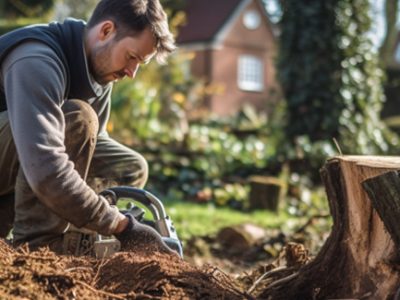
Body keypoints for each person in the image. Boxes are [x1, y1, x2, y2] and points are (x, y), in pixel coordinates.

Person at [0, 0, 176, 255]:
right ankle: (36, 249)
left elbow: (87, 150)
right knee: (79, 119)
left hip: (18, 170)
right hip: (29, 168)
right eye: (132, 57)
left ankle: (77, 241)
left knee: (129, 168)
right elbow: (45, 165)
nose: (132, 72)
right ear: (106, 31)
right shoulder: (36, 59)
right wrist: (121, 225)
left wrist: (101, 217)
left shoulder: (98, 75)